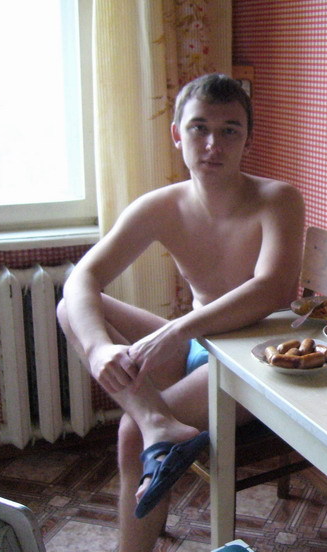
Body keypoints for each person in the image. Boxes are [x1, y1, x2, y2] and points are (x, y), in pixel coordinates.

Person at [57, 73, 305, 552]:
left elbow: (272, 289)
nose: (213, 144)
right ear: (177, 134)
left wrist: (175, 330)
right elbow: (82, 278)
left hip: (255, 360)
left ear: (248, 139)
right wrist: (99, 348)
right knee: (73, 308)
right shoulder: (161, 206)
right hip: (197, 347)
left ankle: (150, 434)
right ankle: (158, 422)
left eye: (229, 130)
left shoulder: (279, 200)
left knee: (130, 434)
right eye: (199, 128)